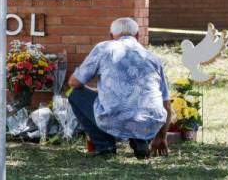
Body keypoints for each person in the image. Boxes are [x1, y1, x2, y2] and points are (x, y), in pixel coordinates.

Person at [67, 17, 171, 159]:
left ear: (111, 36)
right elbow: (166, 103)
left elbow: (75, 83)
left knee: (76, 95)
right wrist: (161, 137)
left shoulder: (104, 48)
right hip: (149, 123)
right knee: (135, 104)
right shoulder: (153, 58)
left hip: (114, 118)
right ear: (138, 36)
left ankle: (105, 146)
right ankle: (140, 140)